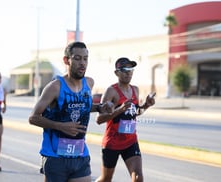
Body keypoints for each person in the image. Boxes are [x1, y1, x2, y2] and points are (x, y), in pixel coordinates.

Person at [29, 41, 111, 182]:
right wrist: (60, 126)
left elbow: (81, 107)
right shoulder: (55, 87)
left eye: (85, 58)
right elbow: (33, 118)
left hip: (80, 153)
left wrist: (99, 107)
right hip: (55, 157)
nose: (82, 63)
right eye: (77, 58)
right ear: (66, 60)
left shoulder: (89, 83)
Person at [95, 57, 155, 182]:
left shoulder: (135, 90)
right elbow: (99, 119)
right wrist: (120, 110)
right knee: (106, 179)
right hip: (112, 143)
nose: (129, 72)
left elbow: (134, 113)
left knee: (138, 177)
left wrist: (146, 105)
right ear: (117, 73)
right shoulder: (111, 91)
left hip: (130, 141)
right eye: (125, 69)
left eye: (131, 69)